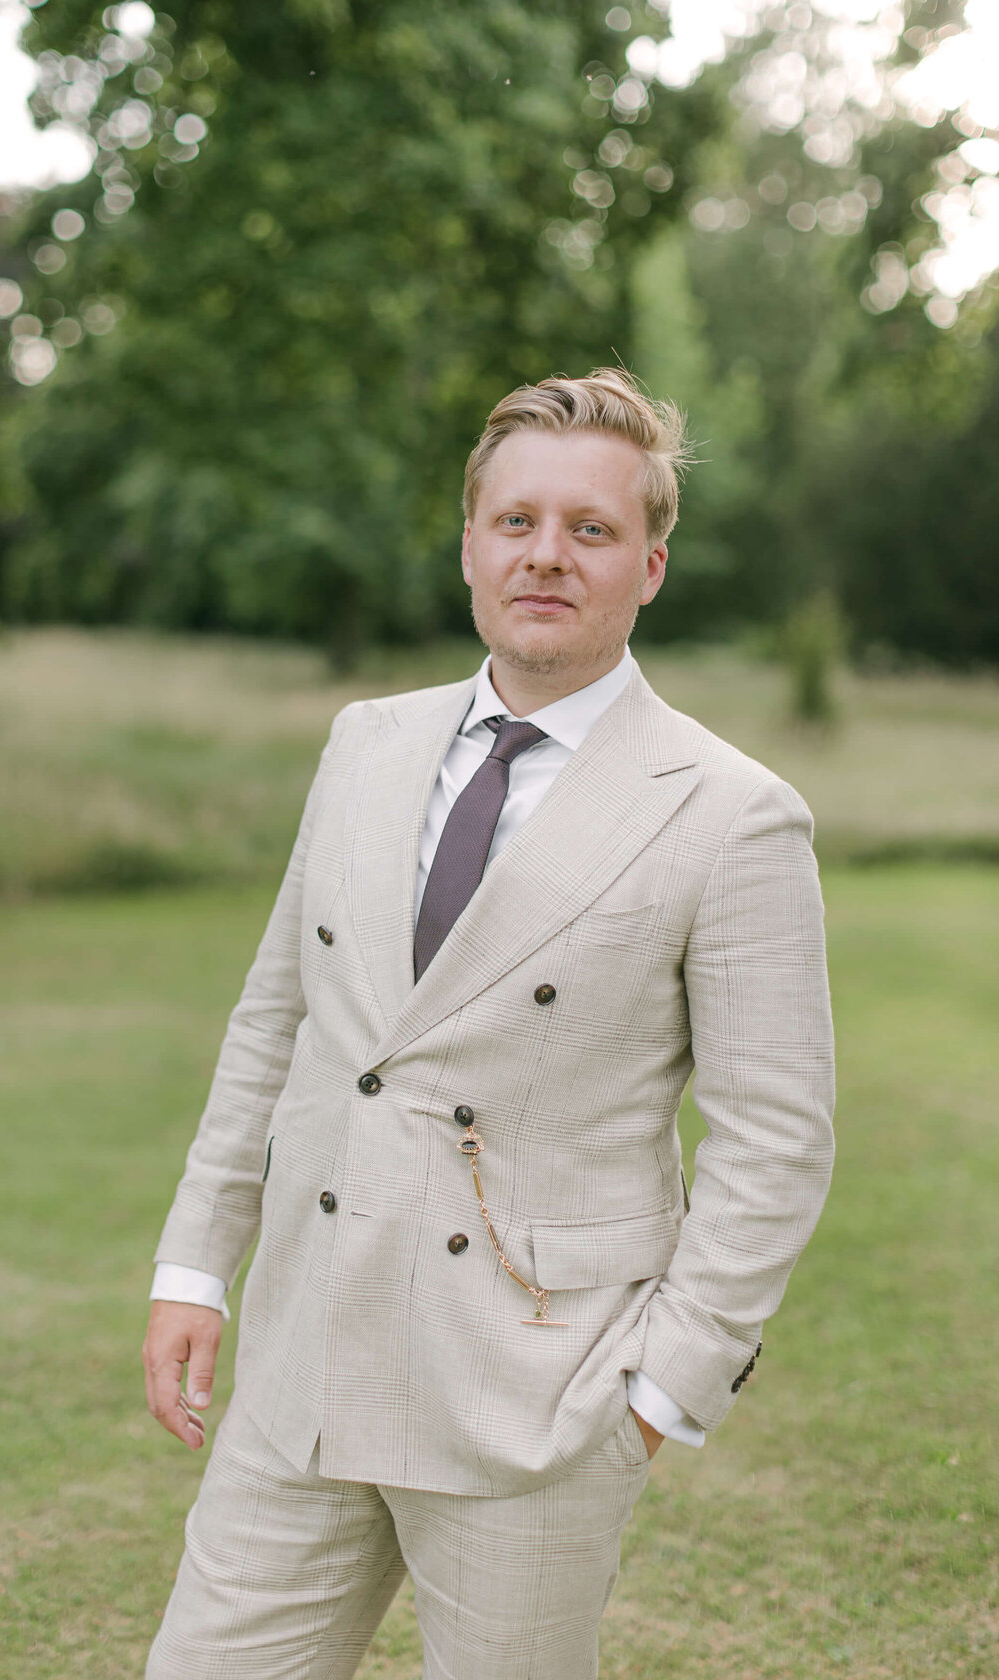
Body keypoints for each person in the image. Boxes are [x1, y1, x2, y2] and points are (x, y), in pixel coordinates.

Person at [141, 368, 836, 1680]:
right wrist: (195, 1266)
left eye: (590, 530)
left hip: (538, 1400)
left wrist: (658, 1395)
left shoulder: (733, 815)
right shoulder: (363, 744)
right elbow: (276, 1023)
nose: (546, 556)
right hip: (306, 1365)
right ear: (470, 543)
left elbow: (777, 1141)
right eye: (516, 522)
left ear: (652, 566)